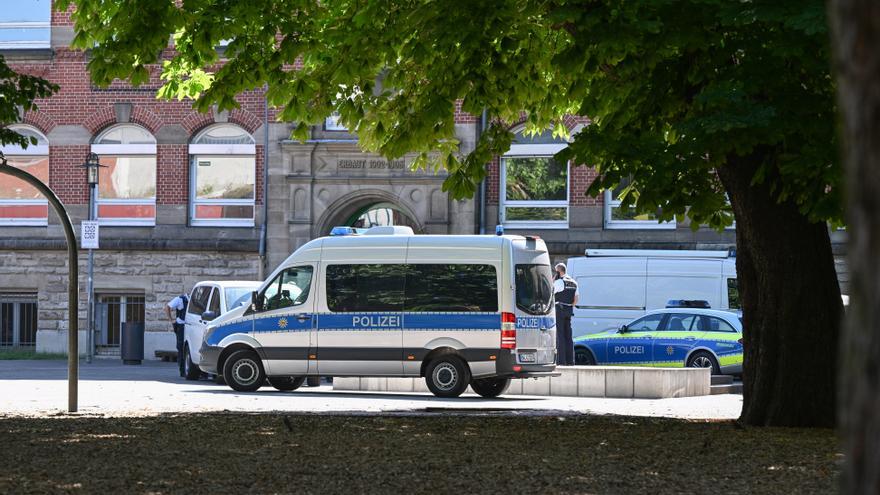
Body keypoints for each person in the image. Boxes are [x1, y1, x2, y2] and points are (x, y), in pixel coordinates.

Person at [553, 262, 579, 366]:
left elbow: (550, 293)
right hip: (569, 310)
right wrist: (569, 306)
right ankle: (570, 361)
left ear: (559, 272)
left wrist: (553, 281)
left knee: (560, 335)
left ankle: (561, 361)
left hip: (559, 309)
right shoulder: (574, 282)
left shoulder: (559, 282)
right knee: (569, 336)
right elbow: (576, 300)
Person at [165, 291, 189, 377]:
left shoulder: (196, 300)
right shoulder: (180, 299)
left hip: (191, 326)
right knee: (181, 347)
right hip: (181, 326)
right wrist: (171, 320)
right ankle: (182, 370)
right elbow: (167, 307)